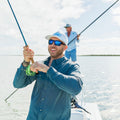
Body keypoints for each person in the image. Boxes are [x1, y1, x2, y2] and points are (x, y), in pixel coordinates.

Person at [13, 31, 83, 120]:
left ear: (65, 47)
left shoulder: (71, 66)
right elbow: (17, 84)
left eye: (57, 43)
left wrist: (48, 70)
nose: (53, 45)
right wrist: (26, 62)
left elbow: (76, 88)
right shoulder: (40, 64)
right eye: (50, 42)